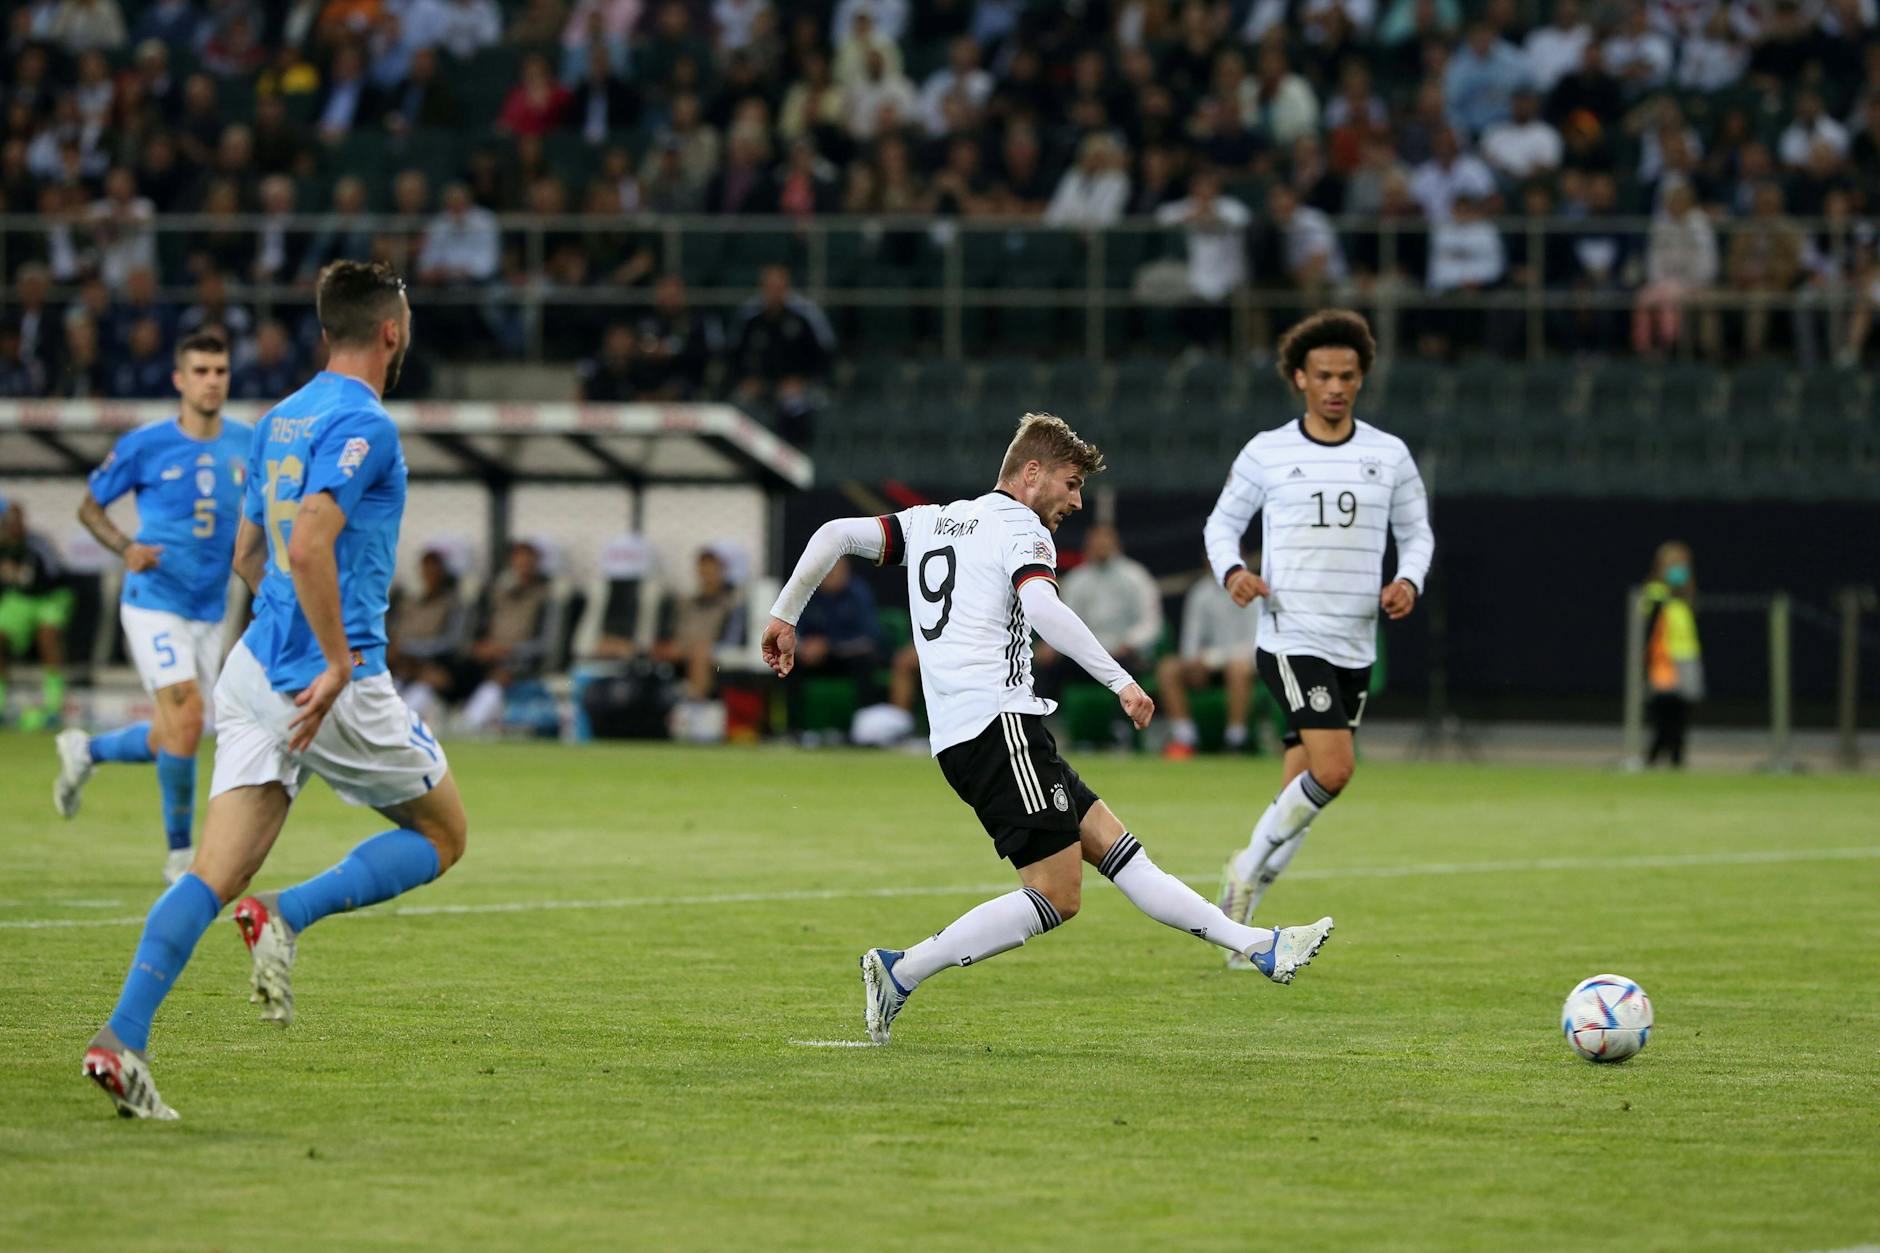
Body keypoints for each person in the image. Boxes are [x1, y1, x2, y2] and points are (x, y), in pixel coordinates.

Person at [761, 414, 1336, 1045]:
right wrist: (1121, 680)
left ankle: (1260, 945)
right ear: (1031, 473)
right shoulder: (1020, 527)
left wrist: (785, 614)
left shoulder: (930, 520)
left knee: (1122, 853)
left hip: (974, 732)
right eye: (1070, 483)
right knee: (1058, 895)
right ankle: (902, 970)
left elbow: (835, 532)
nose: (1076, 501)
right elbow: (1040, 608)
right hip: (997, 728)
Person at [81, 261, 469, 1119]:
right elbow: (308, 546)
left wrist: (286, 632)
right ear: (393, 333)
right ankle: (287, 913)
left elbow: (250, 556)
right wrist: (332, 659)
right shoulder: (370, 425)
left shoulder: (279, 419)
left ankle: (119, 1038)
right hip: (328, 680)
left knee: (210, 872)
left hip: (251, 666)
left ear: (328, 331)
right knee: (445, 833)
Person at [1205, 310, 1433, 962]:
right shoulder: (1267, 451)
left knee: (1301, 783)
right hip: (1290, 634)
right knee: (1335, 770)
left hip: (1356, 641)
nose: (1336, 386)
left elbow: (1417, 534)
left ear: (1361, 379)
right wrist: (1234, 571)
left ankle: (1240, 925)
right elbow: (1220, 526)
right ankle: (1243, 869)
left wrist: (1409, 579)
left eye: (1349, 376)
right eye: (1324, 375)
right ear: (1299, 378)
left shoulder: (1388, 454)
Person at [55, 332, 253, 884]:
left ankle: (86, 751)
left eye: (220, 370)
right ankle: (179, 855)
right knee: (188, 718)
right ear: (179, 380)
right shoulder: (145, 444)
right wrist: (126, 548)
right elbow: (89, 508)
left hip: (210, 610)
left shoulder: (248, 443)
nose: (212, 379)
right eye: (201, 370)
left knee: (176, 731)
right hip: (152, 603)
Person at [1159, 542, 1262, 760]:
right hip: (1208, 665)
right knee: (1169, 668)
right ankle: (1184, 739)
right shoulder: (1200, 592)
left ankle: (1236, 740)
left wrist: (1214, 659)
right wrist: (1193, 662)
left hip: (1246, 664)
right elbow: (1191, 640)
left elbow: (1255, 642)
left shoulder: (1254, 590)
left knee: (1237, 668)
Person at [0, 501, 76, 730]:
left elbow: (53, 575)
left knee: (47, 634)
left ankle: (53, 706)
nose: (12, 526)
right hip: (19, 600)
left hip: (50, 597)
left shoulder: (37, 543)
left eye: (16, 521)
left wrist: (20, 556)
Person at [1641, 541, 1702, 767]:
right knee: (1664, 716)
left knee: (1681, 714)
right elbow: (1647, 623)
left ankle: (1676, 760)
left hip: (1686, 657)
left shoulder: (1685, 597)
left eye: (1682, 565)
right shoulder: (1656, 592)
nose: (1679, 570)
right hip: (1663, 660)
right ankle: (1653, 759)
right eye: (1674, 564)